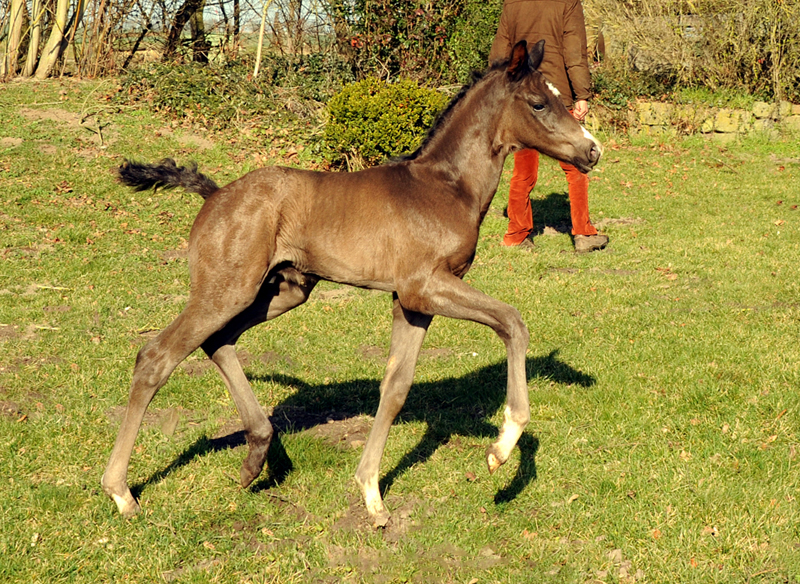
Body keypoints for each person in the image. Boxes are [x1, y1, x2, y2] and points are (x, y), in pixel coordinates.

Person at [489, 0, 608, 253]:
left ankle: (517, 234)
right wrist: (582, 94)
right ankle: (583, 233)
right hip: (555, 96)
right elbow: (575, 52)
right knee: (577, 166)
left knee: (523, 171)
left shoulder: (513, 3)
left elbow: (500, 53)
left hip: (521, 98)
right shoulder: (567, 3)